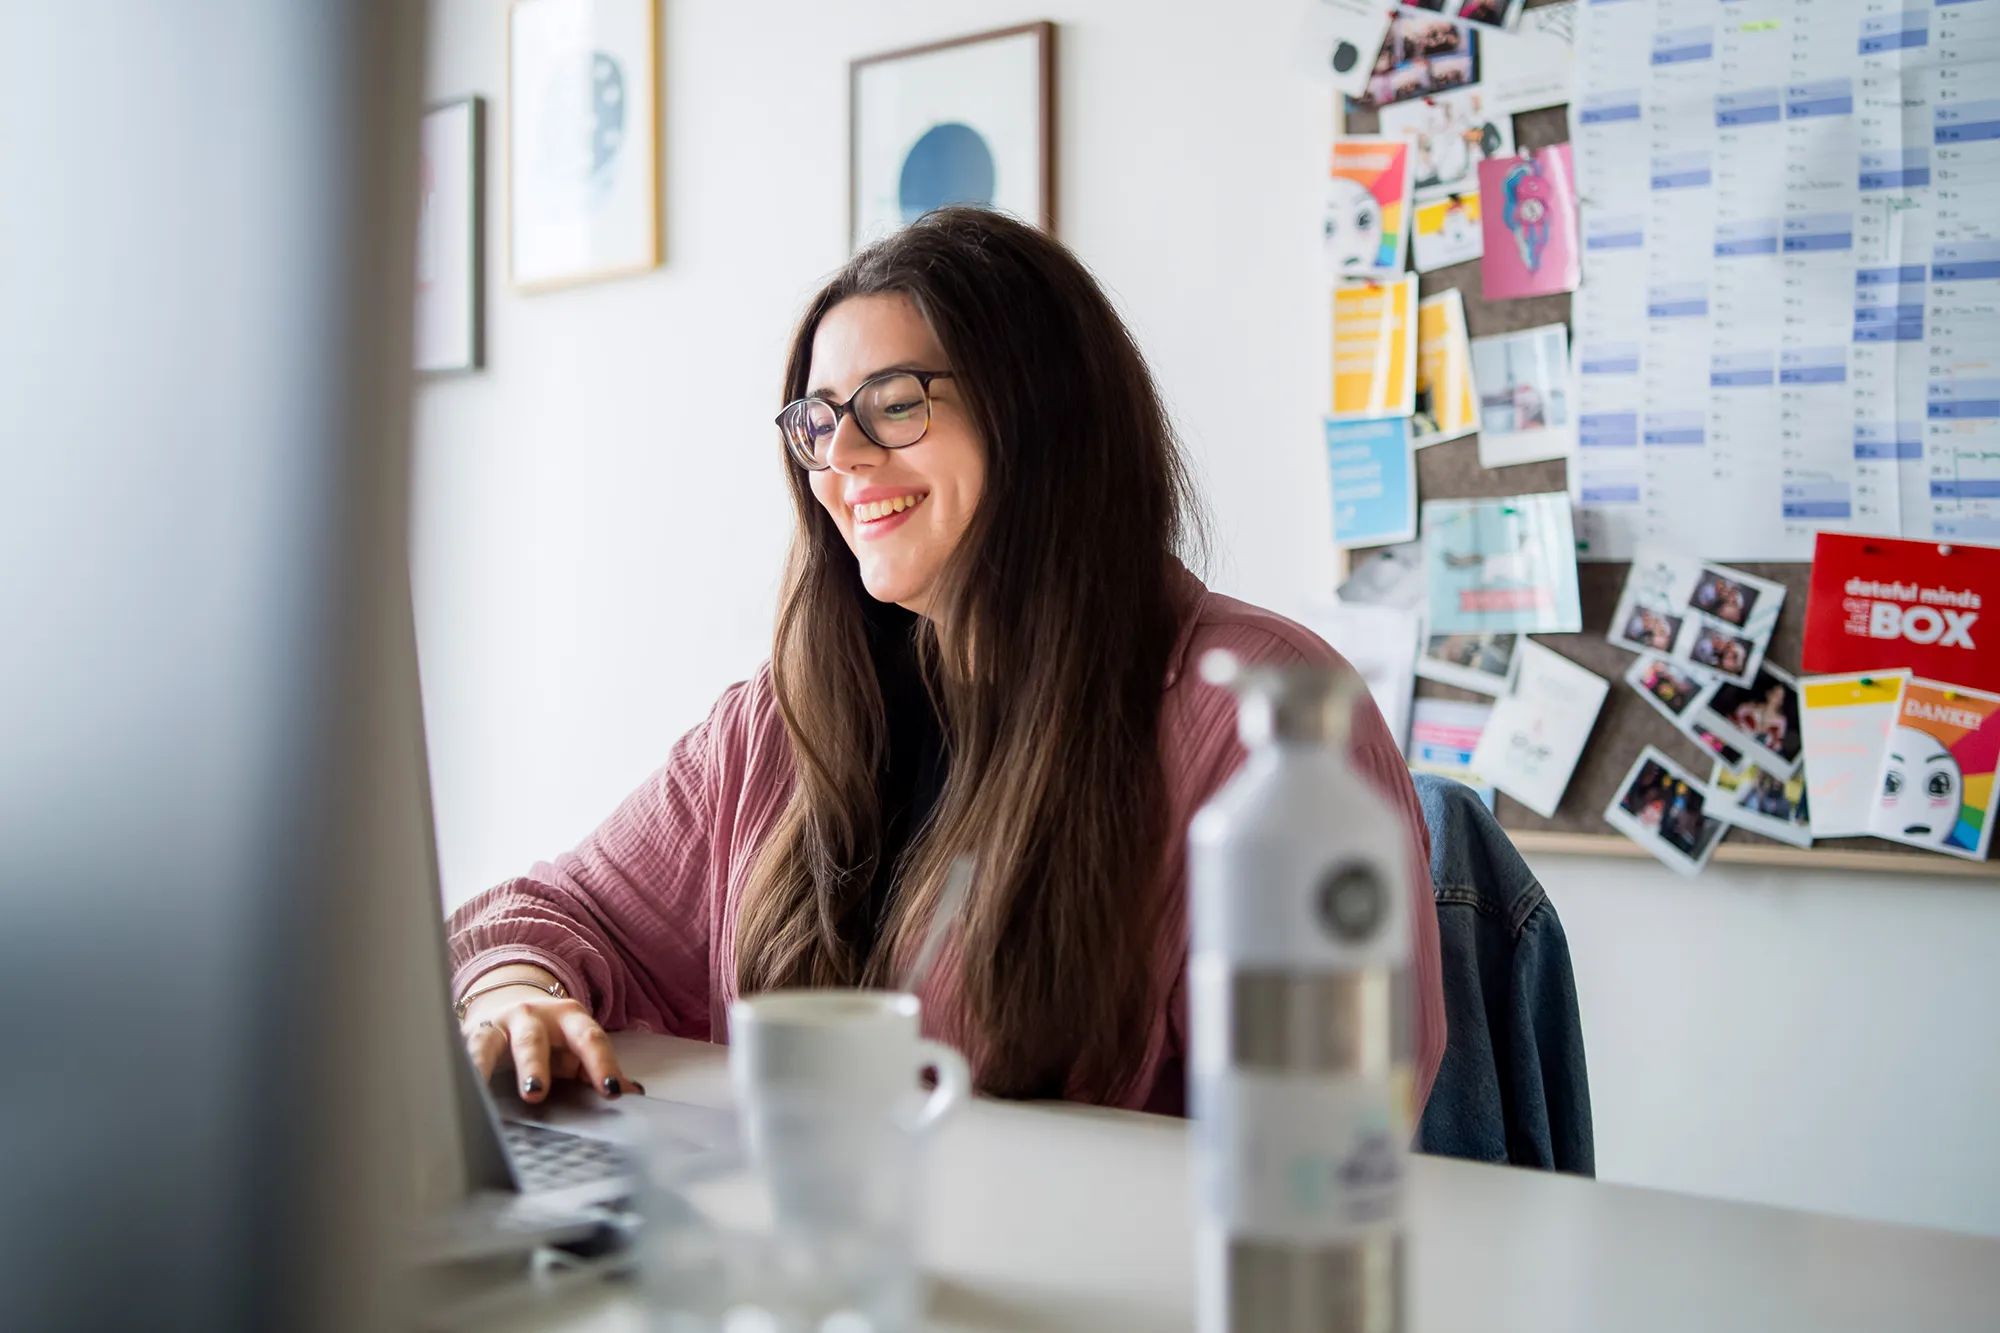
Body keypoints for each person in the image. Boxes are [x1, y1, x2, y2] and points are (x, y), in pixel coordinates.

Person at [445, 209, 1447, 1115]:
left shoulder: (1253, 720)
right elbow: (540, 914)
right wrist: (517, 996)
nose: (842, 460)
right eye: (818, 421)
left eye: (894, 402)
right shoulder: (779, 719)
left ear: (1040, 417)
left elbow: (1326, 1142)